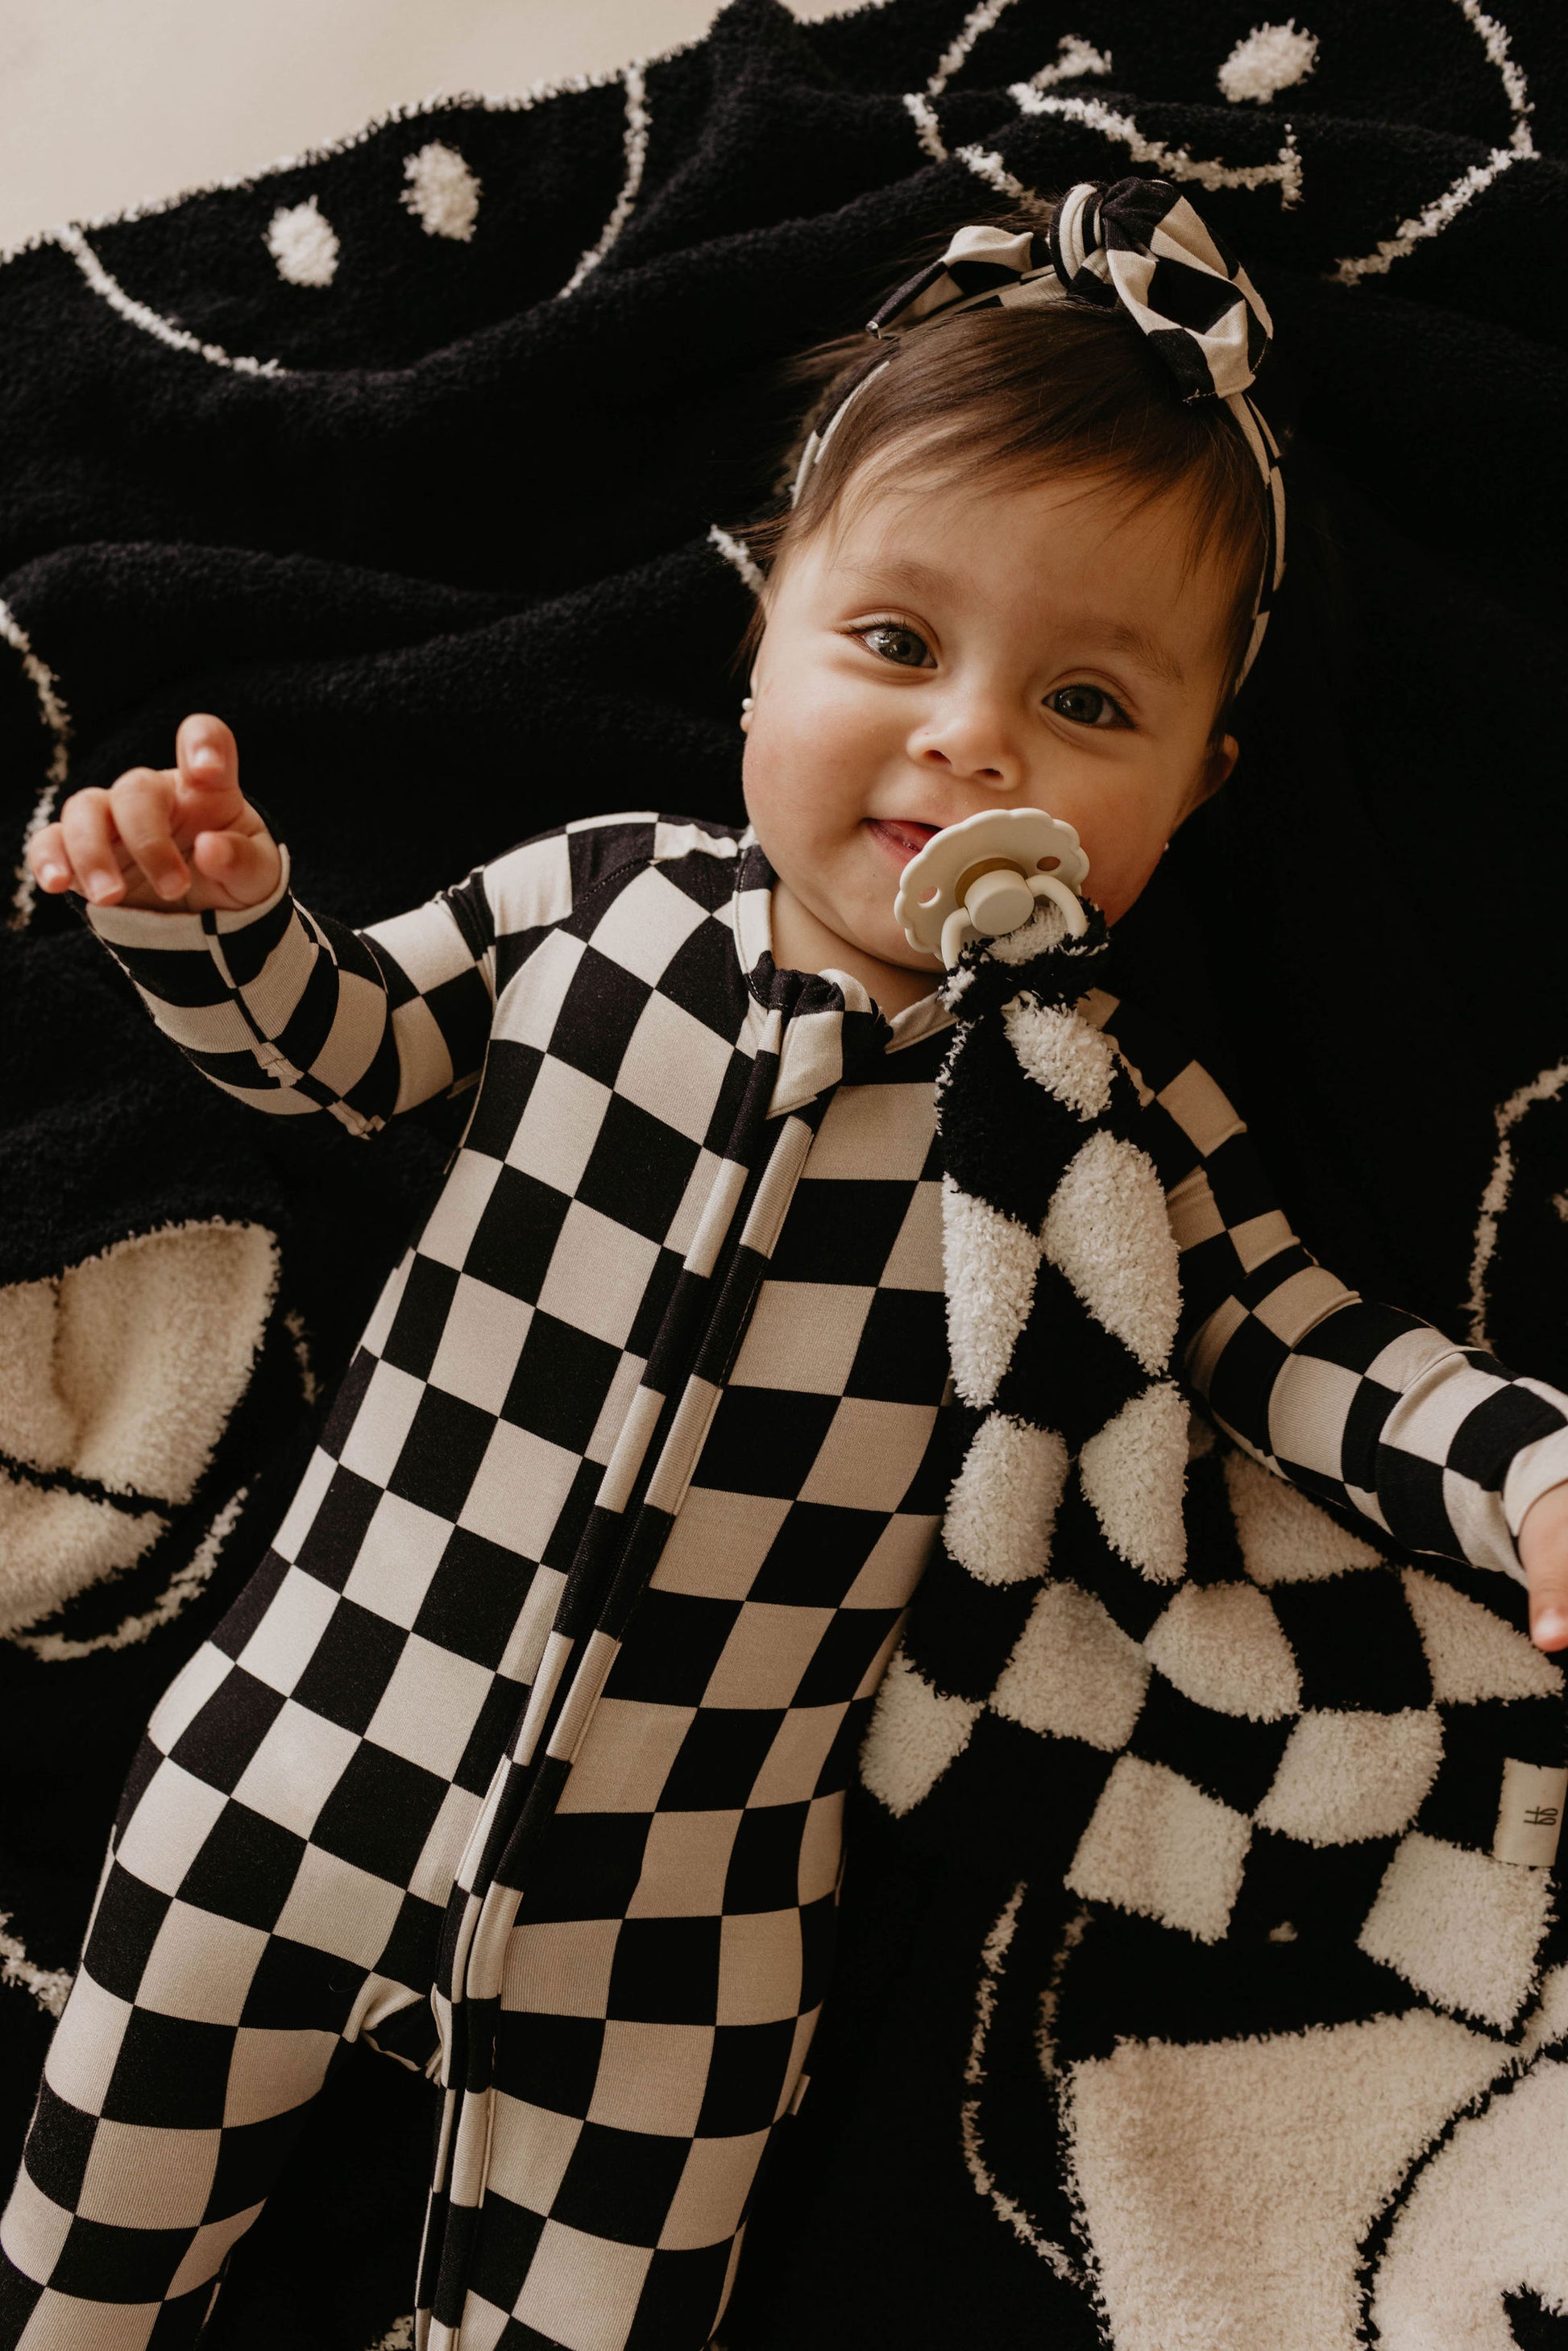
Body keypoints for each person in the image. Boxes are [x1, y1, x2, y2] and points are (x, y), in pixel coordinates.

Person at [5, 180, 1568, 2351]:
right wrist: (208, 919)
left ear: (1196, 793)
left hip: (685, 1893)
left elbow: (1312, 1349)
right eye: (895, 647)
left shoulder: (1090, 1125)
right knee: (84, 2260)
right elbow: (345, 1058)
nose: (970, 741)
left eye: (1089, 704)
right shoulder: (593, 907)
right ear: (759, 641)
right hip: (295, 1756)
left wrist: (1525, 1475)